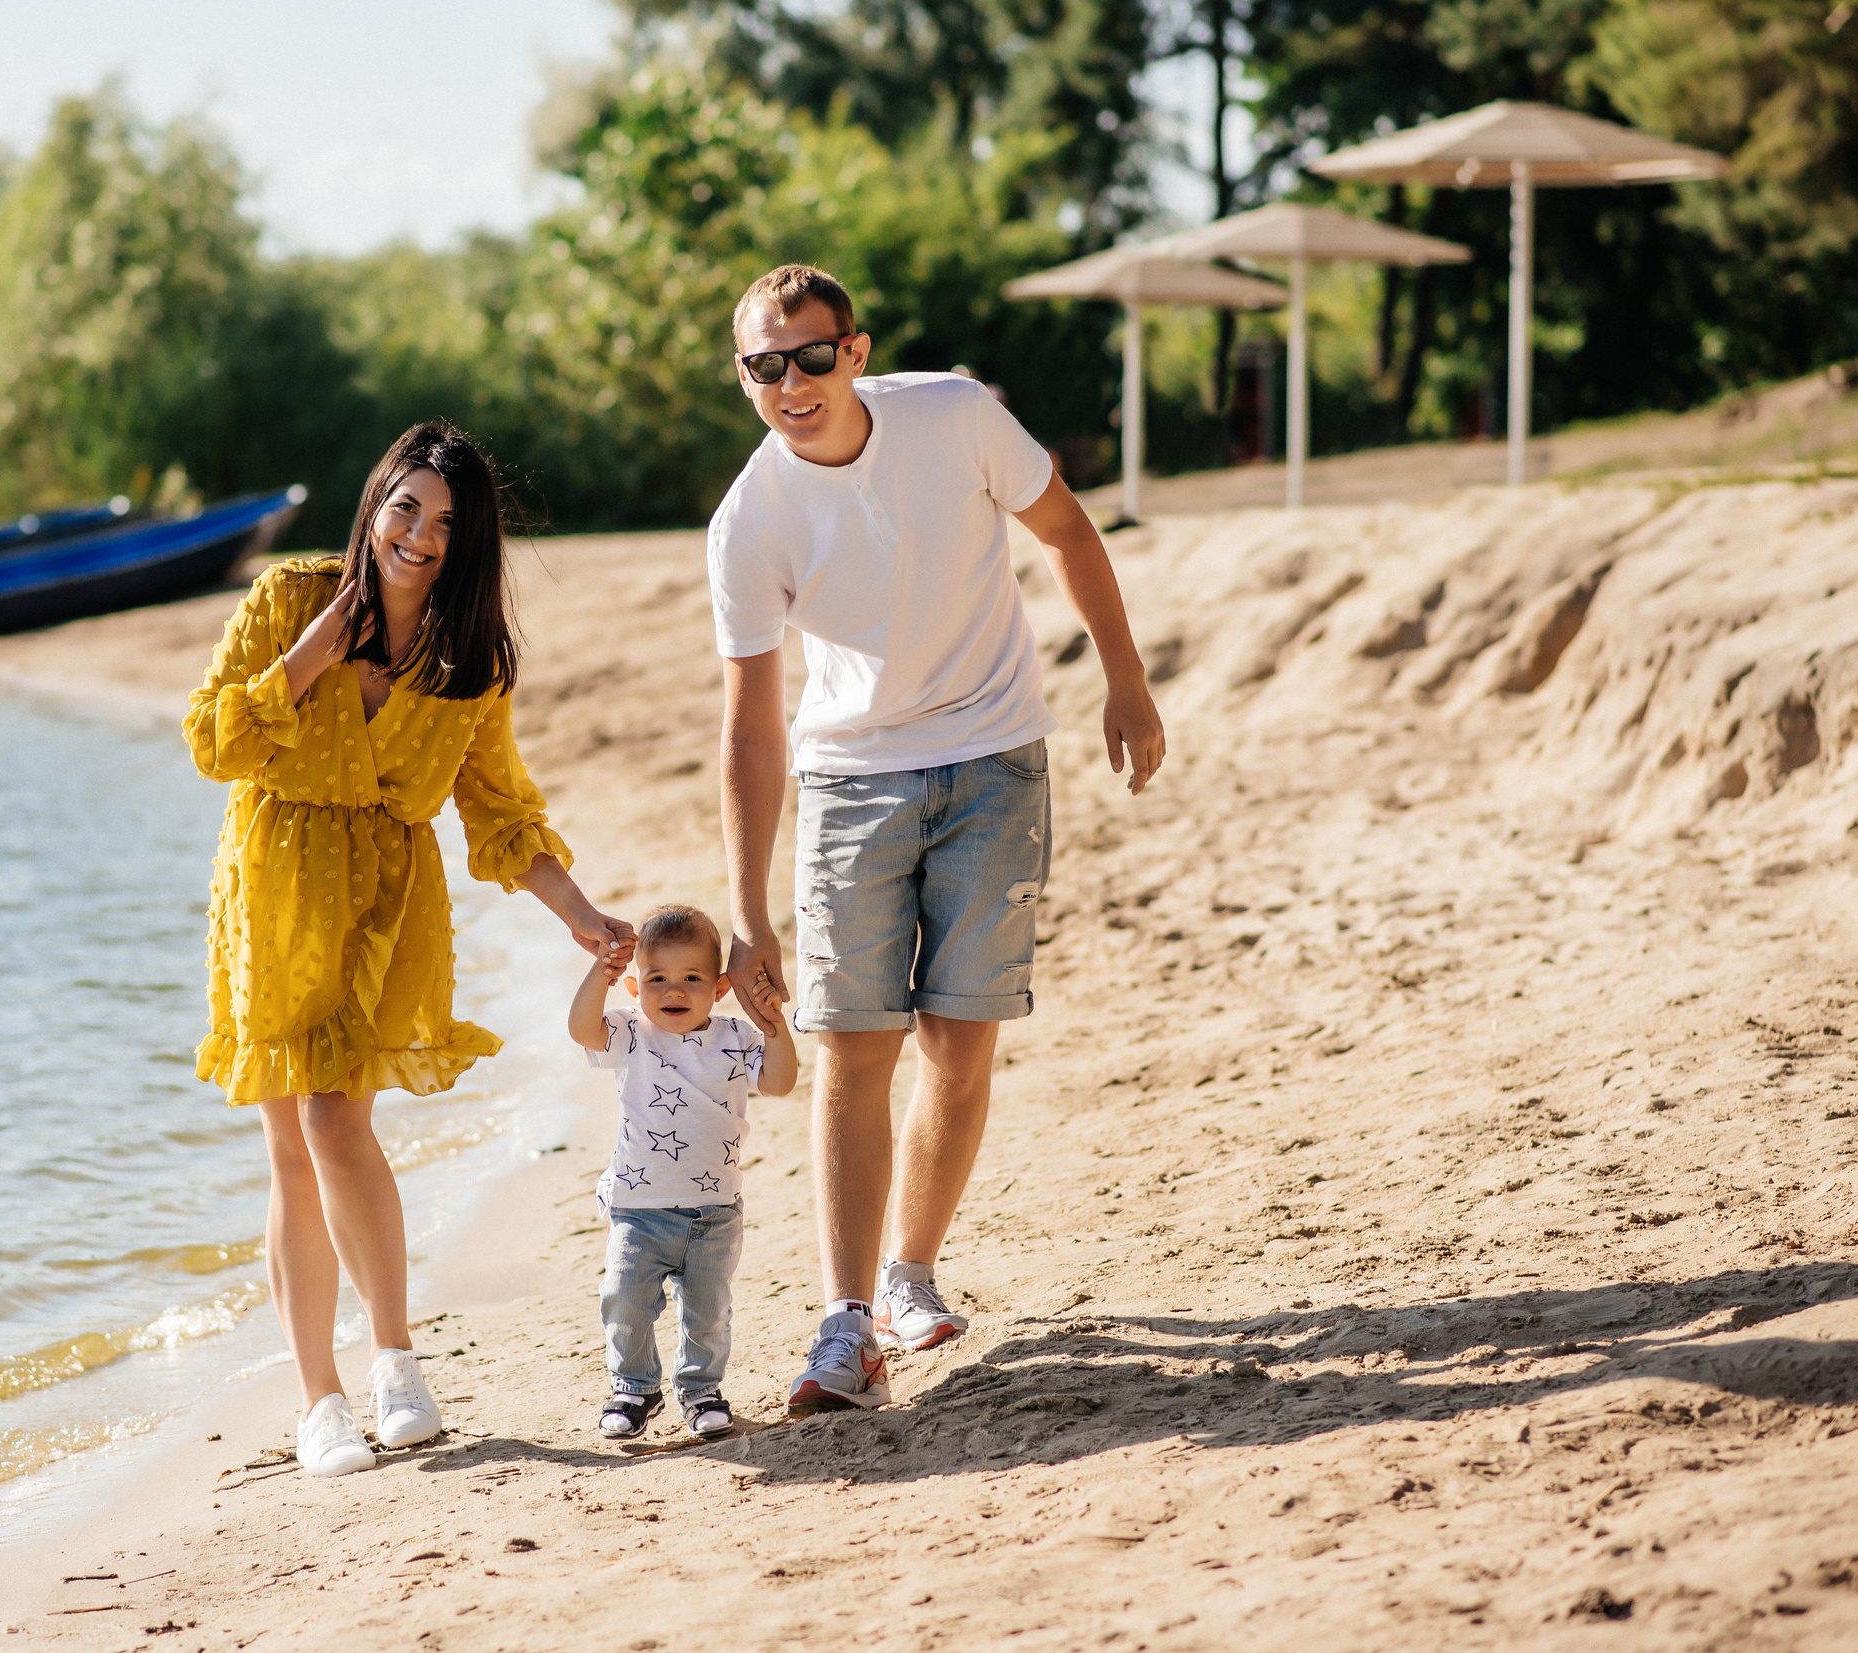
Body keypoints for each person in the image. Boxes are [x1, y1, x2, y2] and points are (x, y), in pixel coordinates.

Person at [707, 265, 1167, 1416]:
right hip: (849, 783)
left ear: (855, 351)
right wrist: (747, 910)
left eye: (812, 356)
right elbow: (750, 727)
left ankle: (908, 1274)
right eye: (765, 364)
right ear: (743, 375)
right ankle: (844, 1320)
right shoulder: (749, 520)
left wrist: (1125, 681)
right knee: (853, 1047)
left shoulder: (954, 415)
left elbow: (1066, 528)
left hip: (994, 761)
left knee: (960, 1042)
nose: (792, 382)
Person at [185, 421, 637, 1476]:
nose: (420, 535)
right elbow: (213, 739)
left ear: (468, 540)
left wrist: (577, 911)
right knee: (295, 1143)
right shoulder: (290, 597)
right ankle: (321, 1399)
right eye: (406, 508)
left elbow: (500, 812)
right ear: (375, 504)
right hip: (276, 892)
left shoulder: (471, 658)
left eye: (445, 521)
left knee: (335, 1122)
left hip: (387, 906)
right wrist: (311, 655)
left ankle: (393, 1361)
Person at [568, 903, 797, 1439]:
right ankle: (634, 1387)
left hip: (714, 1212)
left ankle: (700, 1390)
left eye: (692, 978)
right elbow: (581, 1030)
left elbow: (780, 1082)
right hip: (638, 1209)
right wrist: (600, 973)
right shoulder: (632, 1032)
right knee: (623, 1299)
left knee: (707, 1312)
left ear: (720, 988)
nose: (674, 990)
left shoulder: (736, 1037)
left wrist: (774, 1028)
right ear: (635, 988)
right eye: (657, 979)